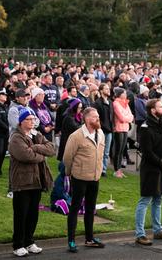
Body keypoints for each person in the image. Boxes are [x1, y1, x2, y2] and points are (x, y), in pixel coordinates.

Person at [9, 107, 55, 257]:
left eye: (33, 119)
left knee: (33, 213)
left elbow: (51, 149)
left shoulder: (37, 135)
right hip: (22, 181)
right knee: (21, 214)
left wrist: (35, 147)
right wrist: (41, 156)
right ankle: (18, 244)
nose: (32, 122)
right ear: (22, 121)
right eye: (29, 119)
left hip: (37, 180)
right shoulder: (16, 137)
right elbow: (26, 155)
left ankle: (29, 241)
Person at [62, 107, 106, 253]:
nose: (97, 119)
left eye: (98, 116)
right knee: (74, 208)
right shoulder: (76, 136)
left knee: (90, 209)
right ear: (86, 119)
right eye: (94, 117)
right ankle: (71, 240)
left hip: (95, 178)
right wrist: (69, 173)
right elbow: (67, 158)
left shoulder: (100, 133)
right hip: (79, 177)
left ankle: (89, 238)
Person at [134, 99, 162, 246]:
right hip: (151, 169)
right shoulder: (145, 127)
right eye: (160, 107)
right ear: (152, 110)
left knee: (158, 200)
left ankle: (158, 230)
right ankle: (140, 234)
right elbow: (147, 152)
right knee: (145, 200)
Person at [93, 83, 114, 176]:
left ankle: (103, 170)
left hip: (109, 131)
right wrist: (99, 127)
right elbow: (96, 118)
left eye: (108, 88)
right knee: (98, 151)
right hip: (100, 130)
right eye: (106, 89)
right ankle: (96, 168)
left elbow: (111, 117)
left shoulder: (110, 102)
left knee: (106, 152)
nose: (108, 90)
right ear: (101, 90)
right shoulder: (97, 103)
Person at [112, 88, 133, 178]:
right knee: (118, 150)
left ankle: (119, 170)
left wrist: (127, 118)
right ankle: (116, 170)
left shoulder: (125, 103)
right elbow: (121, 117)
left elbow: (131, 116)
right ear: (120, 94)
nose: (125, 94)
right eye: (124, 93)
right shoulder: (116, 103)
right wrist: (127, 118)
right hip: (118, 129)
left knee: (122, 150)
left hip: (125, 128)